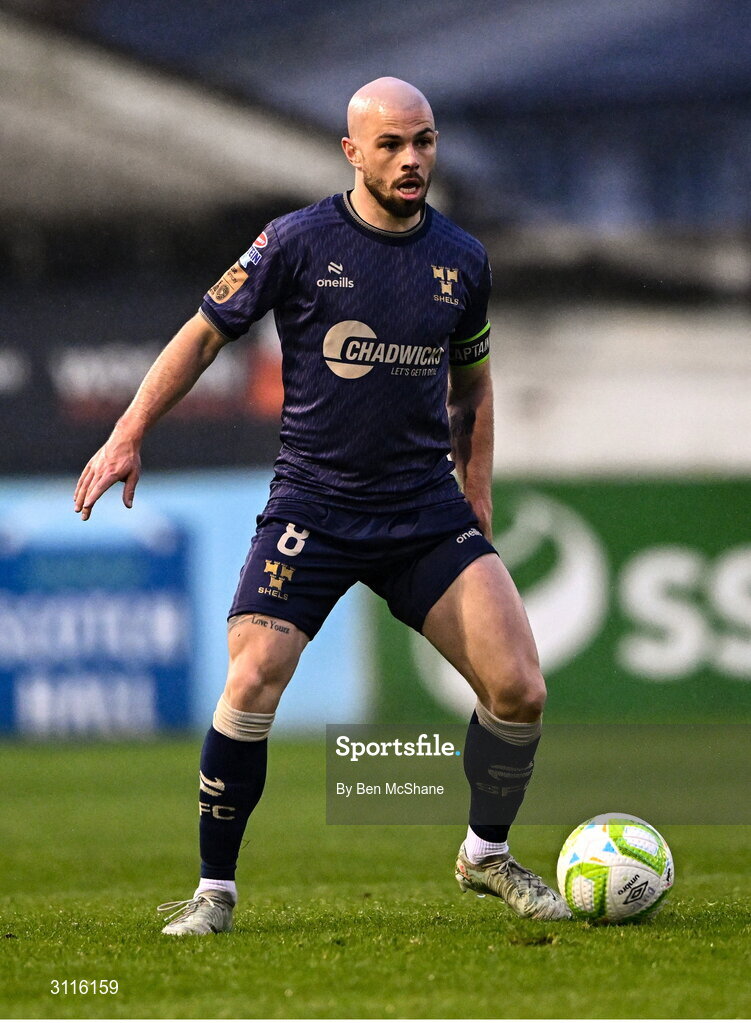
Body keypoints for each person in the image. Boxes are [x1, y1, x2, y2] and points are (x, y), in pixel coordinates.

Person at [74, 77, 571, 934]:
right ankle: (214, 891)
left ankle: (485, 854)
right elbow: (204, 334)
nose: (411, 159)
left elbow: (472, 388)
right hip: (315, 507)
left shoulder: (462, 260)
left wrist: (477, 492)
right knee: (251, 677)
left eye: (423, 141)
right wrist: (127, 431)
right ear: (352, 152)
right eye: (391, 144)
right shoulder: (296, 242)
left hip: (423, 511)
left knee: (519, 688)